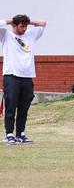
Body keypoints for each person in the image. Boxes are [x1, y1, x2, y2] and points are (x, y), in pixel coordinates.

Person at [1, 14, 46, 145]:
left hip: (27, 77)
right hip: (11, 76)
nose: (25, 29)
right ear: (14, 25)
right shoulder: (6, 35)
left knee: (24, 108)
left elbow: (43, 23)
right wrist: (11, 20)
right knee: (11, 106)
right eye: (22, 26)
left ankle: (20, 134)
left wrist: (27, 21)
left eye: (26, 26)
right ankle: (9, 134)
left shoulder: (30, 35)